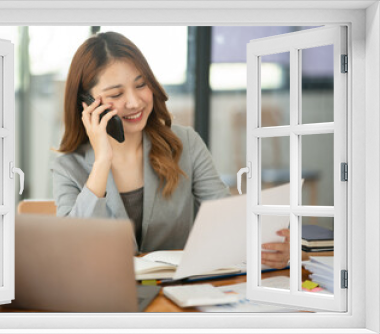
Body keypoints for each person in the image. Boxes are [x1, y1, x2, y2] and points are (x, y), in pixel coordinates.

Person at [51, 31, 290, 269]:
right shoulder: (68, 168)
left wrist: (269, 244)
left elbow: (226, 220)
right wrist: (102, 161)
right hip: (105, 297)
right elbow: (72, 251)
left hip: (179, 294)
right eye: (116, 94)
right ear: (87, 103)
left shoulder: (186, 143)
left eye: (141, 84)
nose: (134, 102)